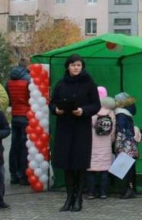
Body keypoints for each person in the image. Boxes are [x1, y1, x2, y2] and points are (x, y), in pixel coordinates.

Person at [49, 54, 101, 212]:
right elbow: (52, 103)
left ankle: (78, 199)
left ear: (82, 66)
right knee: (67, 165)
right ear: (67, 67)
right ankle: (68, 198)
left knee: (79, 164)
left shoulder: (89, 82)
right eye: (73, 65)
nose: (76, 68)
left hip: (81, 128)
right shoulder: (61, 83)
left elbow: (96, 105)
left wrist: (83, 111)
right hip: (64, 128)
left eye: (78, 65)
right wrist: (55, 109)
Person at [86, 86, 116, 200]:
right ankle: (103, 193)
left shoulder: (91, 110)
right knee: (104, 170)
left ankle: (91, 193)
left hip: (91, 144)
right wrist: (111, 139)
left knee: (91, 170)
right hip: (105, 144)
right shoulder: (110, 112)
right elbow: (113, 128)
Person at [6, 57, 31, 186]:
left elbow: (8, 97)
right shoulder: (28, 79)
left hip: (15, 115)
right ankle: (23, 175)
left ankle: (13, 175)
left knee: (14, 146)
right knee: (24, 147)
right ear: (27, 66)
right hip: (26, 115)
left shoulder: (9, 79)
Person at [114, 92, 141, 199]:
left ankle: (127, 190)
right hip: (131, 144)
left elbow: (120, 130)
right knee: (131, 167)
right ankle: (133, 188)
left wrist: (118, 144)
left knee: (125, 169)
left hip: (124, 145)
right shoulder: (128, 113)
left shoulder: (120, 114)